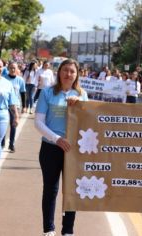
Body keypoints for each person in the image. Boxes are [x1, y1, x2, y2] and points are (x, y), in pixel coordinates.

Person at [34, 59, 88, 236]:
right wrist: (57, 139)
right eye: (65, 70)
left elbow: (88, 123)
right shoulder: (48, 93)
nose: (68, 74)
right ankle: (48, 229)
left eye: (72, 71)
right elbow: (39, 122)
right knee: (51, 189)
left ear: (77, 74)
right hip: (51, 148)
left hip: (73, 150)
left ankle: (68, 230)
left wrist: (79, 104)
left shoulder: (82, 95)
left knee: (71, 190)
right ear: (59, 72)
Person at [1, 62, 26, 152]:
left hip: (15, 106)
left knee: (13, 125)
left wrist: (24, 106)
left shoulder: (20, 80)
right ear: (8, 69)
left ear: (17, 69)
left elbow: (23, 93)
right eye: (11, 68)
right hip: (4, 105)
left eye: (14, 68)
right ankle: (2, 143)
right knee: (3, 124)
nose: (12, 70)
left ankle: (11, 144)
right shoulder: (3, 79)